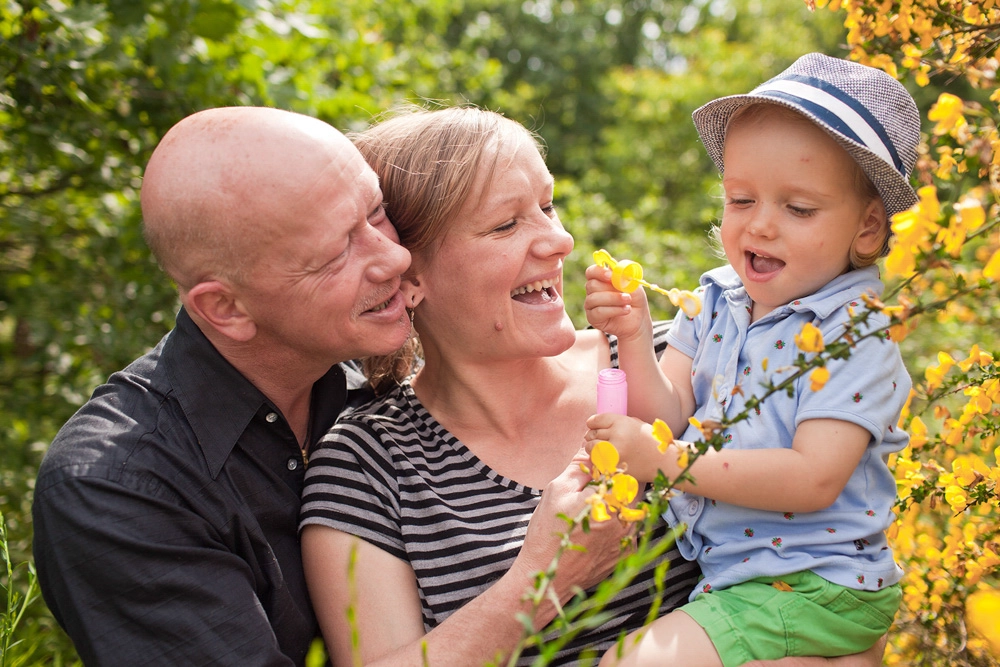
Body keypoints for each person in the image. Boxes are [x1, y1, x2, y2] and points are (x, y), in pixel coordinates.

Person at [299, 105, 890, 667]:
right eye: (505, 224)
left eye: (548, 207)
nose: (560, 242)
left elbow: (836, 581)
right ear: (410, 272)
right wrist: (541, 580)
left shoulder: (685, 355)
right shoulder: (368, 465)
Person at [31, 106, 415, 666]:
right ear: (226, 308)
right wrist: (541, 575)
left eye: (377, 215)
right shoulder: (118, 486)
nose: (396, 256)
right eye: (336, 253)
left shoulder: (385, 392)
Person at [583, 53, 918, 666]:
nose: (760, 226)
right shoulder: (713, 300)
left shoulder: (856, 332)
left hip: (821, 585)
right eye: (741, 199)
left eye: (798, 209)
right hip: (747, 584)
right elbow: (670, 413)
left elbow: (813, 478)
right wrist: (633, 337)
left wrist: (668, 463)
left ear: (867, 229)